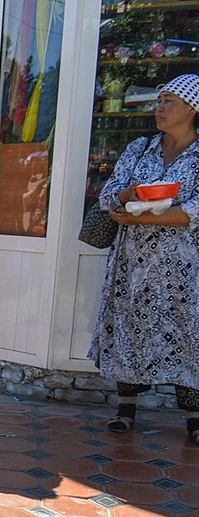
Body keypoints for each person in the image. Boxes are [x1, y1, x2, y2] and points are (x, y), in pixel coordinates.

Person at [91, 74, 199, 442]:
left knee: (186, 331)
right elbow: (108, 197)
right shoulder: (140, 149)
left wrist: (150, 214)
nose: (160, 107)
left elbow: (196, 211)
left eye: (169, 101)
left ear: (192, 109)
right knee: (130, 326)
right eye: (160, 100)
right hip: (132, 262)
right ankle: (125, 408)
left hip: (183, 267)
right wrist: (128, 198)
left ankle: (194, 416)